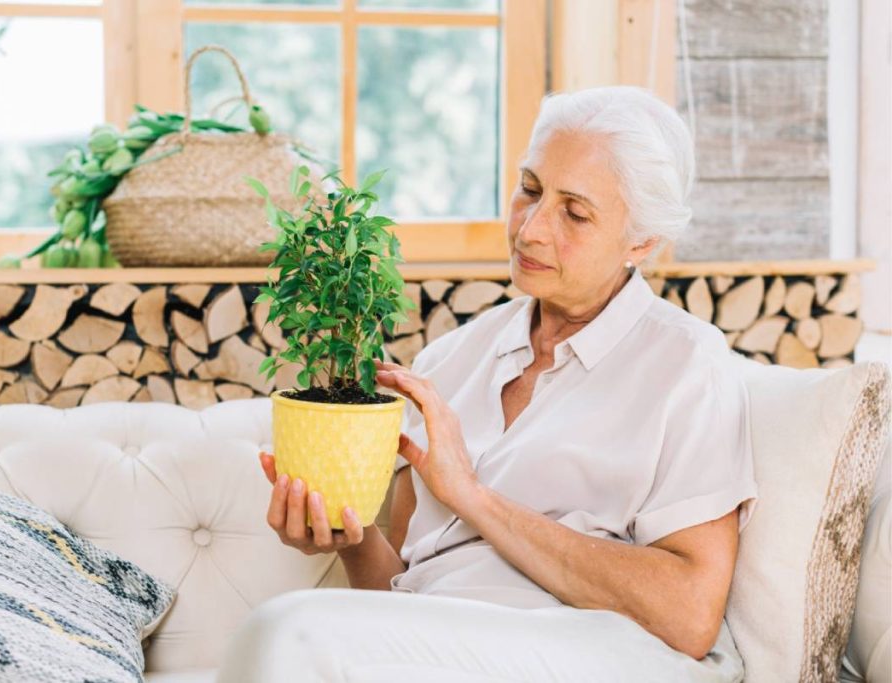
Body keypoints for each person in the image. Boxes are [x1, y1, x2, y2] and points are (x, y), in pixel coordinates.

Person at [216, 86, 759, 682]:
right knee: (295, 633)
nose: (531, 229)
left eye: (575, 214)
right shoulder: (452, 359)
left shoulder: (686, 364)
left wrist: (472, 496)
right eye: (529, 189)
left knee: (289, 629)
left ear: (643, 241)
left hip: (592, 650)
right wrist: (349, 535)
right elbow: (398, 592)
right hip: (445, 649)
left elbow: (689, 615)